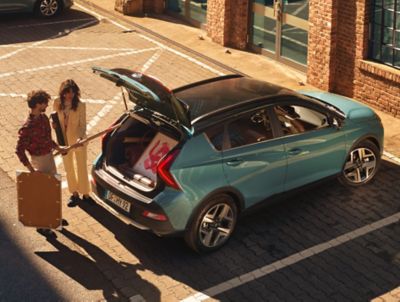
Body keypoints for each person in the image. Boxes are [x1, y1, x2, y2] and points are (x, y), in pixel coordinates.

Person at [16, 90, 68, 236]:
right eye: (45, 102)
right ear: (38, 104)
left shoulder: (44, 118)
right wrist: (31, 170)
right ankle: (43, 226)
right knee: (43, 194)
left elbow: (47, 138)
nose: (47, 104)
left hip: (49, 157)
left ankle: (54, 218)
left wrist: (58, 147)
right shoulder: (28, 127)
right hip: (39, 161)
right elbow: (19, 150)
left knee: (52, 190)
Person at [53, 79, 91, 207]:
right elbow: (56, 120)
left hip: (78, 141)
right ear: (62, 92)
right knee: (69, 168)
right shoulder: (57, 102)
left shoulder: (81, 105)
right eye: (67, 92)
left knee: (82, 167)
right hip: (63, 141)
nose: (70, 95)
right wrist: (54, 125)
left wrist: (80, 137)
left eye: (72, 92)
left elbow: (82, 124)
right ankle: (74, 193)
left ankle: (86, 194)